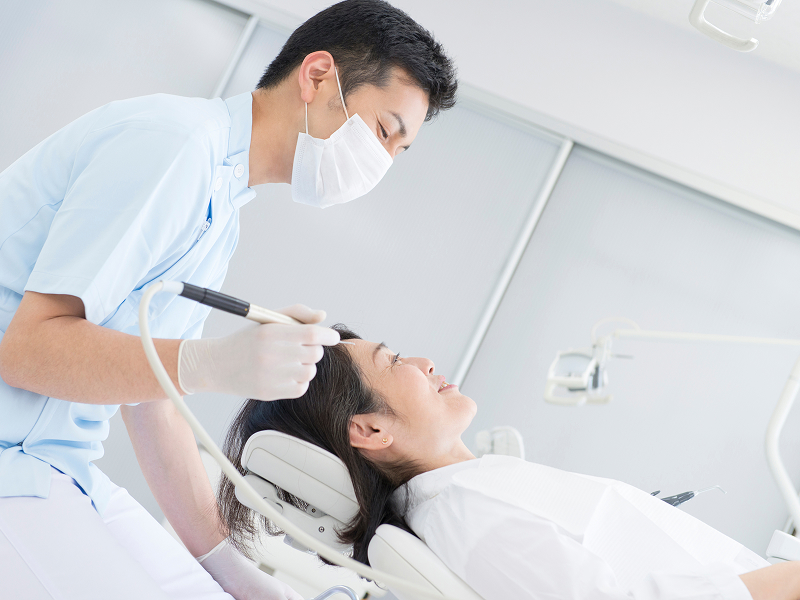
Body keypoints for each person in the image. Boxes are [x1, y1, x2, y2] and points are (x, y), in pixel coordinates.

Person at [0, 1, 457, 598]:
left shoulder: (221, 205)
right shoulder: (174, 147)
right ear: (318, 76)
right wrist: (209, 364)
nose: (382, 163)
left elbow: (153, 404)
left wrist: (235, 571)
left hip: (59, 466)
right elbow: (27, 352)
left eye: (398, 150)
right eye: (382, 132)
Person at [220, 325, 800, 600]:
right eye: (393, 361)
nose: (424, 362)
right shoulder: (468, 516)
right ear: (370, 429)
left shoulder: (468, 492)